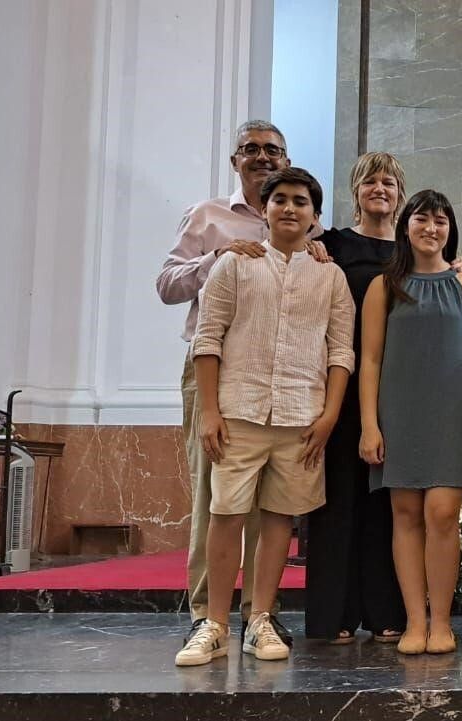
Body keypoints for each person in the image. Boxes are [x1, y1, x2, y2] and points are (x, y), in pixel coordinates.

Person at [155, 120, 326, 641]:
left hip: (284, 381)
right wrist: (217, 257)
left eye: (272, 150)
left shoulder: (307, 225)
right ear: (235, 162)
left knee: (270, 503)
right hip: (217, 370)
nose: (262, 157)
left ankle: (260, 614)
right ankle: (208, 615)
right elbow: (166, 284)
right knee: (217, 496)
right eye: (250, 150)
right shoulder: (208, 216)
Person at [176, 167, 353, 666]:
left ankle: (260, 620)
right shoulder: (234, 266)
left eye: (301, 201)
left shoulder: (330, 274)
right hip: (240, 411)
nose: (290, 208)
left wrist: (329, 415)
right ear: (266, 210)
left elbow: (341, 351)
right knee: (225, 514)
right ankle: (212, 623)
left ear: (315, 217)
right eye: (280, 199)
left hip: (301, 415)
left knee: (279, 520)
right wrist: (210, 411)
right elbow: (207, 338)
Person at [358, 189, 462, 656]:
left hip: (452, 412)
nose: (430, 228)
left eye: (440, 220)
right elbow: (370, 360)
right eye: (421, 219)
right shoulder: (384, 287)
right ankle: (415, 621)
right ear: (406, 226)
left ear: (450, 229)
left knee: (442, 514)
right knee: (405, 515)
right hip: (399, 414)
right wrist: (369, 425)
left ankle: (442, 621)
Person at [305, 151, 414, 646]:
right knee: (338, 499)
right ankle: (336, 614)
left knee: (388, 503)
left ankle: (387, 611)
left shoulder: (414, 251)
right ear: (356, 191)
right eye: (370, 180)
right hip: (341, 385)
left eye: (389, 181)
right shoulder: (329, 246)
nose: (380, 188)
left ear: (400, 194)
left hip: (398, 388)